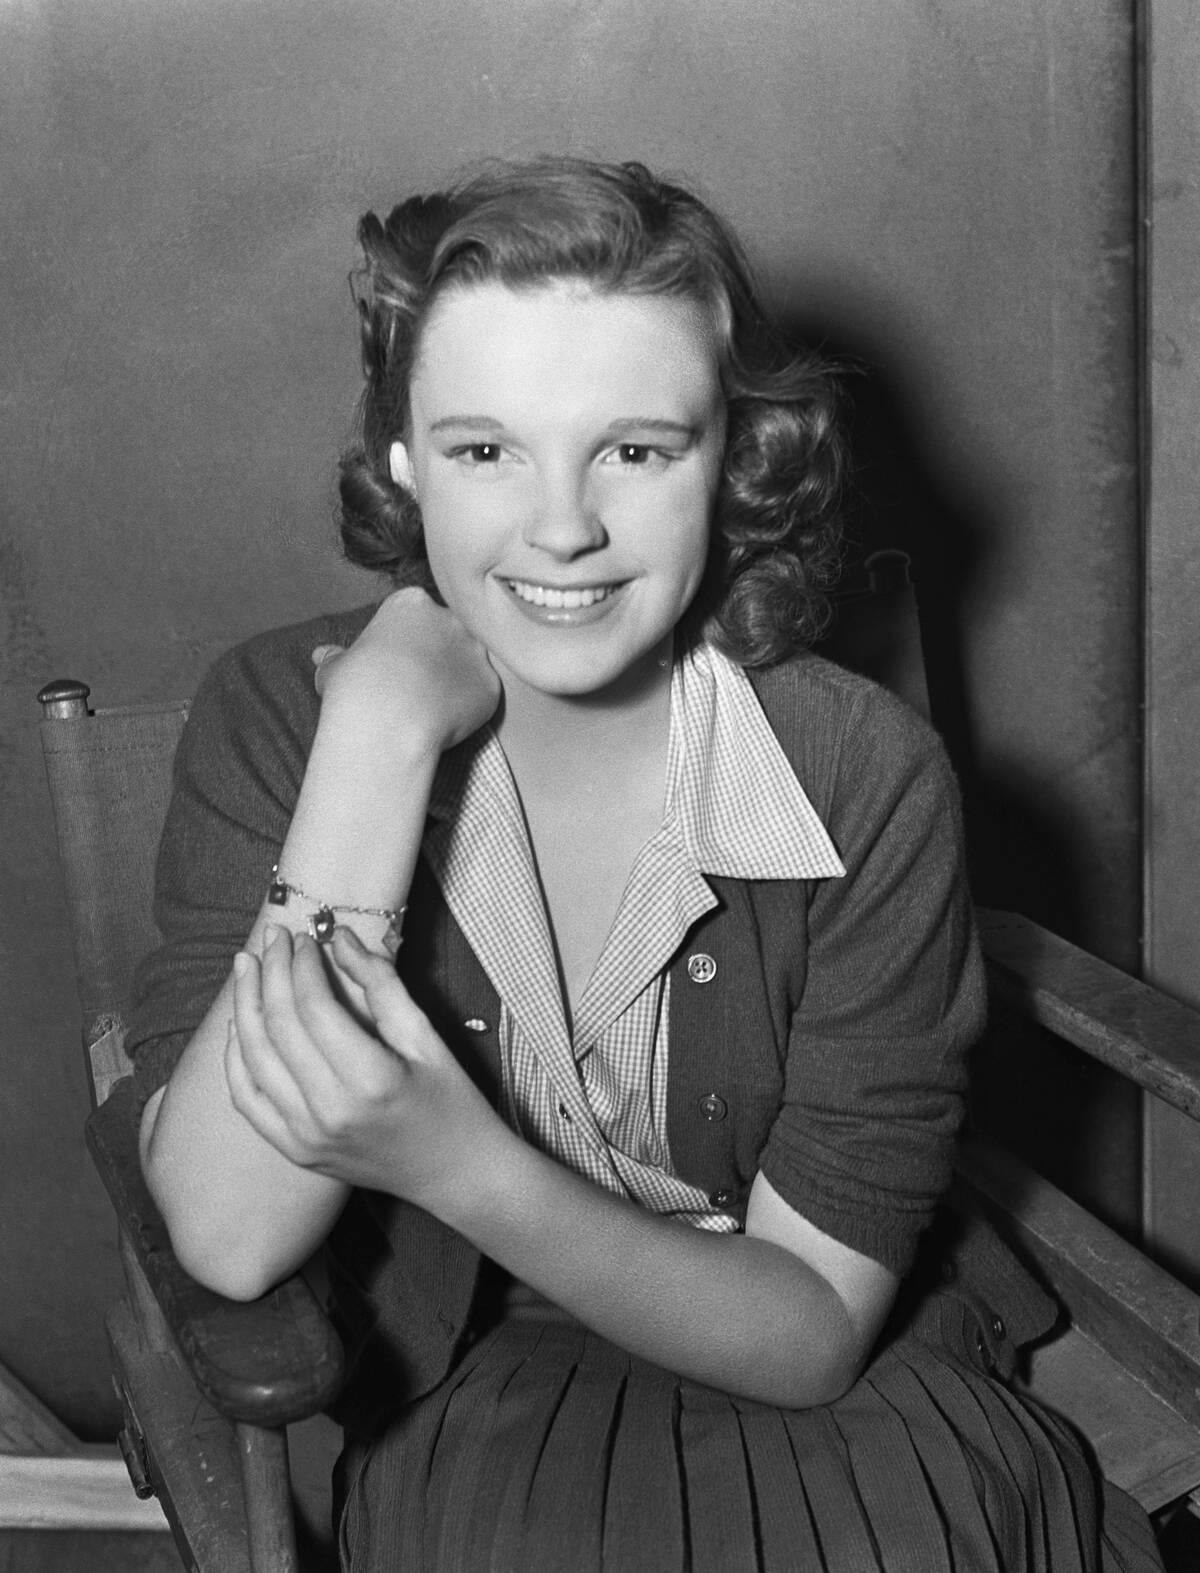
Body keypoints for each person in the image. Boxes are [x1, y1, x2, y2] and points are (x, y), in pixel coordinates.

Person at [128, 156, 1162, 1571]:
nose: (562, 526)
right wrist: (371, 738)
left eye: (635, 448)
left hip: (842, 1364)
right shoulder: (282, 719)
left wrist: (456, 1159)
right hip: (487, 1371)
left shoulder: (863, 777)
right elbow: (234, 1235)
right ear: (402, 461)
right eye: (486, 448)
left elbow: (804, 1332)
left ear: (733, 465)